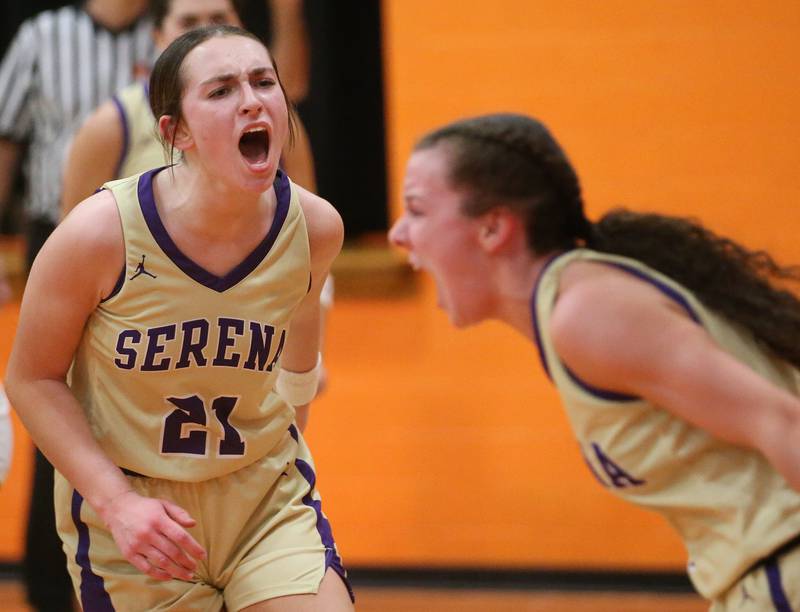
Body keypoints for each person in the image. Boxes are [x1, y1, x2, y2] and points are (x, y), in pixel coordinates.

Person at [388, 112, 800, 610]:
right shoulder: (575, 305)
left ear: (493, 227)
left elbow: (784, 421)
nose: (397, 233)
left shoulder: (586, 314)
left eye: (417, 210)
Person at [5, 24, 353, 611]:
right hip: (136, 505)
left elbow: (300, 364)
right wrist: (115, 502)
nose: (250, 99)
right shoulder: (99, 234)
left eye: (263, 81)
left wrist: (286, 444)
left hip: (261, 496)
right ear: (177, 132)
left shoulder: (315, 228)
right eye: (220, 90)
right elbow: (31, 378)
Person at [0, 3, 155, 609]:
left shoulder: (171, 29)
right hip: (55, 230)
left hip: (149, 244)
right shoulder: (44, 36)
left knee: (128, 411)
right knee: (51, 403)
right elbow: (7, 140)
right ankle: (50, 589)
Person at [61, 0, 318, 212]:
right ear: (158, 36)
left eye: (219, 19)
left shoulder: (274, 114)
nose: (206, 35)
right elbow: (72, 247)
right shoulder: (112, 124)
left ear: (240, 26)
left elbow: (304, 229)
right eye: (189, 23)